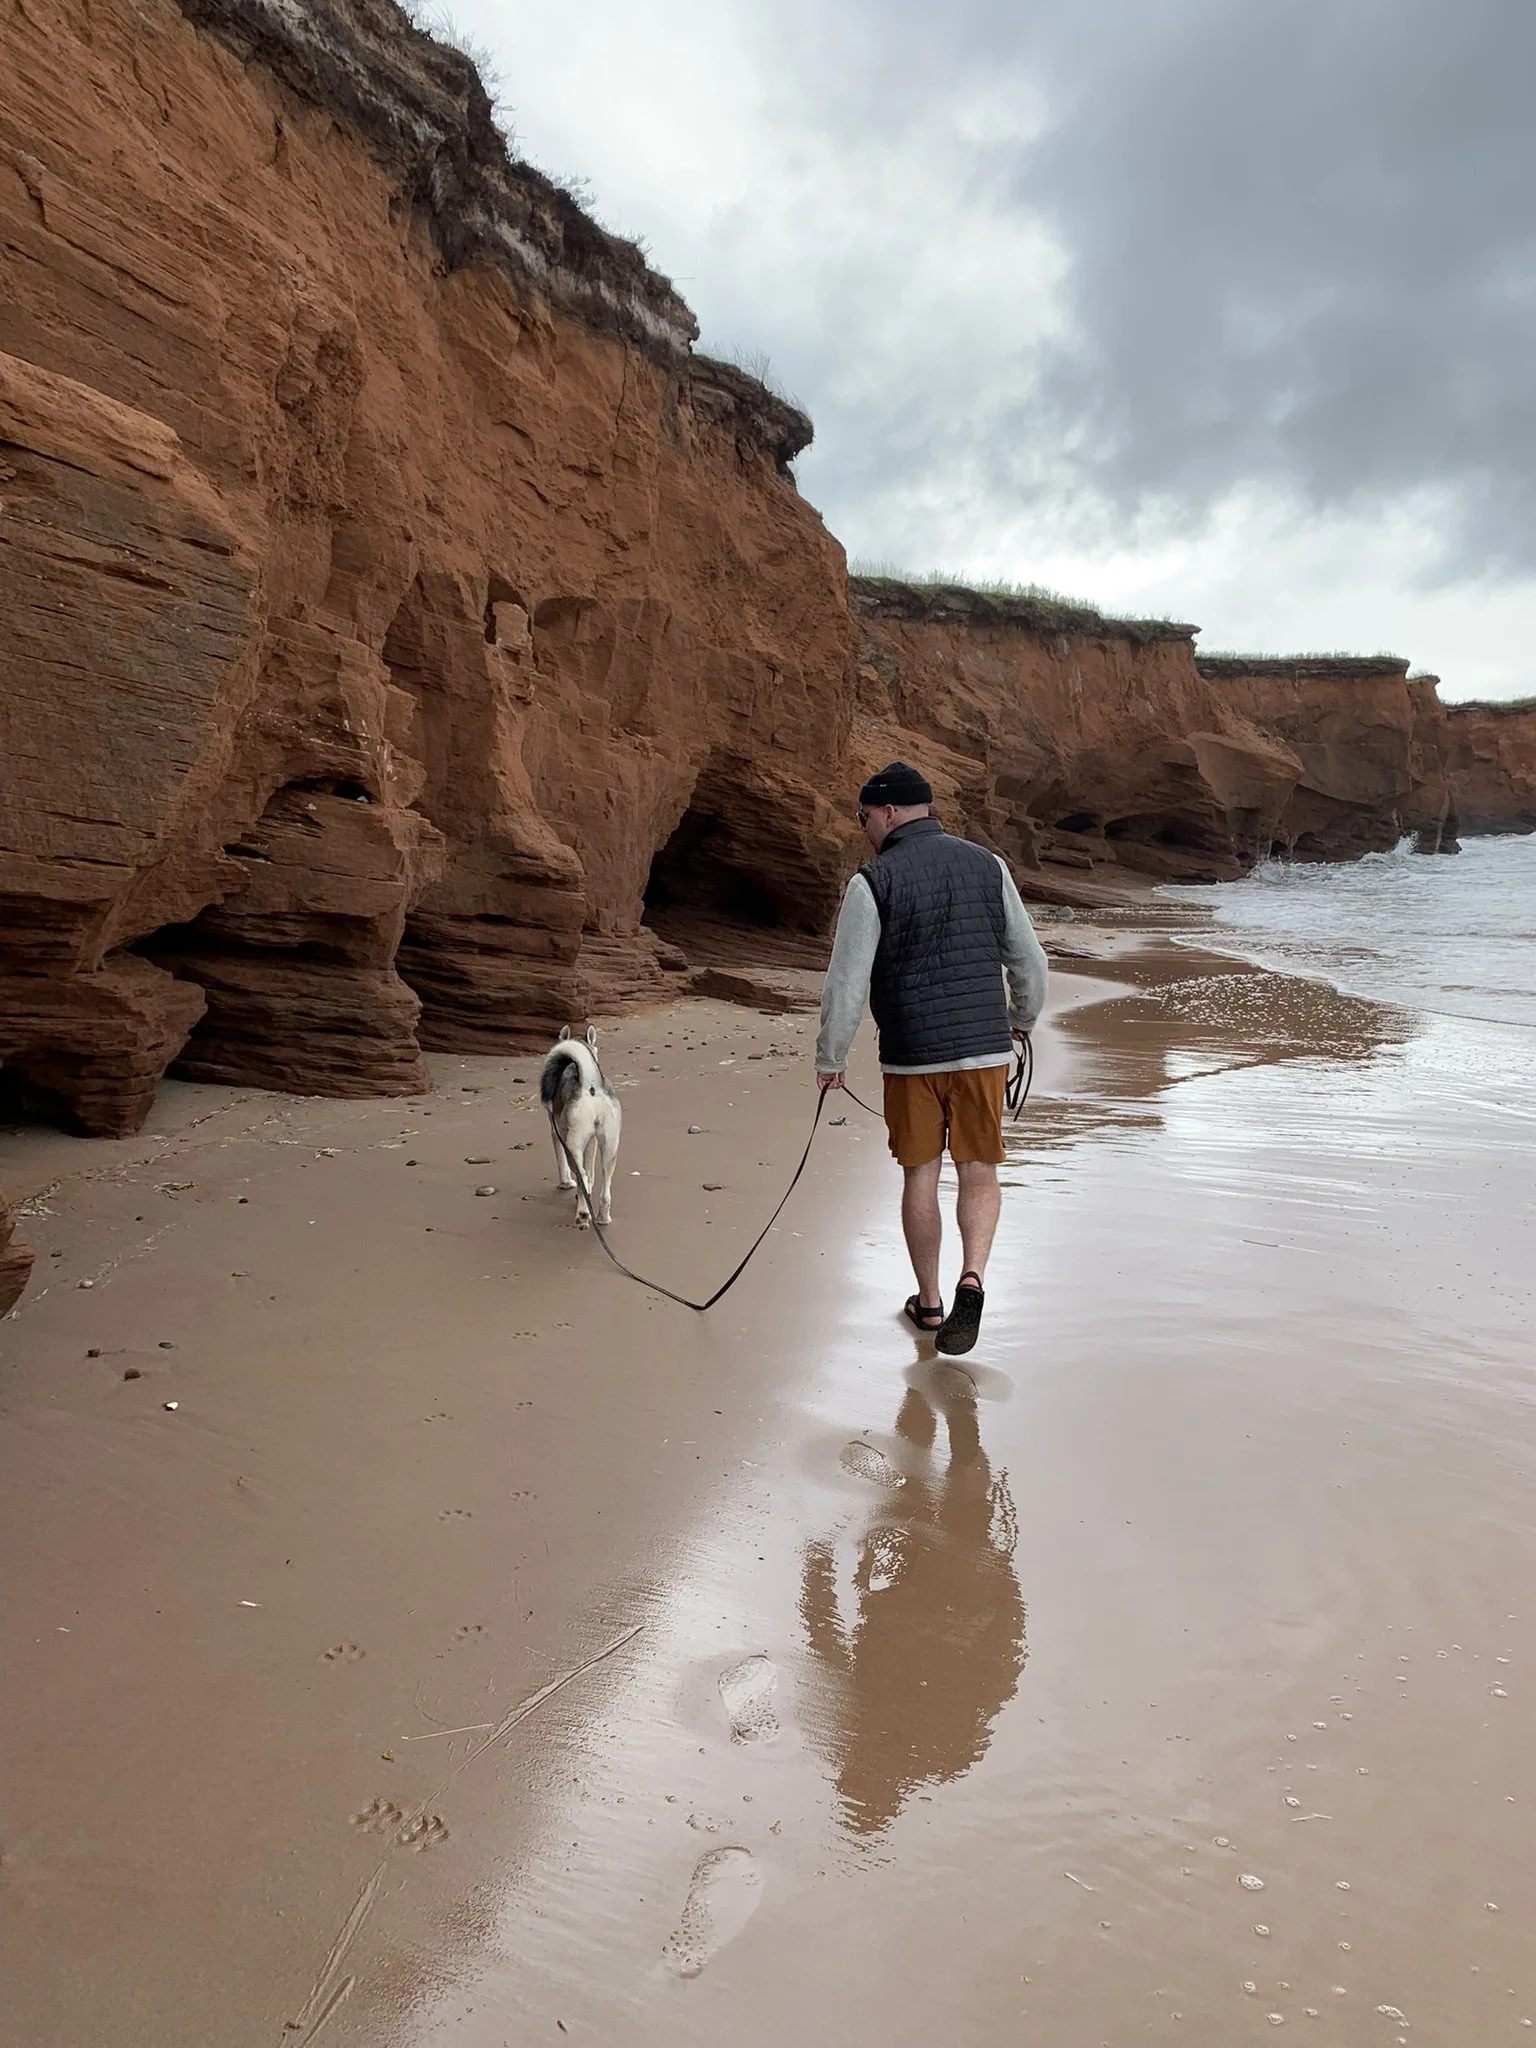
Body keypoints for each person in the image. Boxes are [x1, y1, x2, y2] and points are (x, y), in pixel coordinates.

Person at [815, 761, 1048, 1354]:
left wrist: (831, 1056)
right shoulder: (989, 865)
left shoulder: (872, 881)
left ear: (889, 812)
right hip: (983, 1051)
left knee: (920, 1173)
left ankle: (929, 1303)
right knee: (979, 1169)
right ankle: (974, 1276)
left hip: (912, 1055)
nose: (863, 827)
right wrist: (1020, 1021)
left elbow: (847, 981)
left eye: (864, 816)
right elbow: (1029, 962)